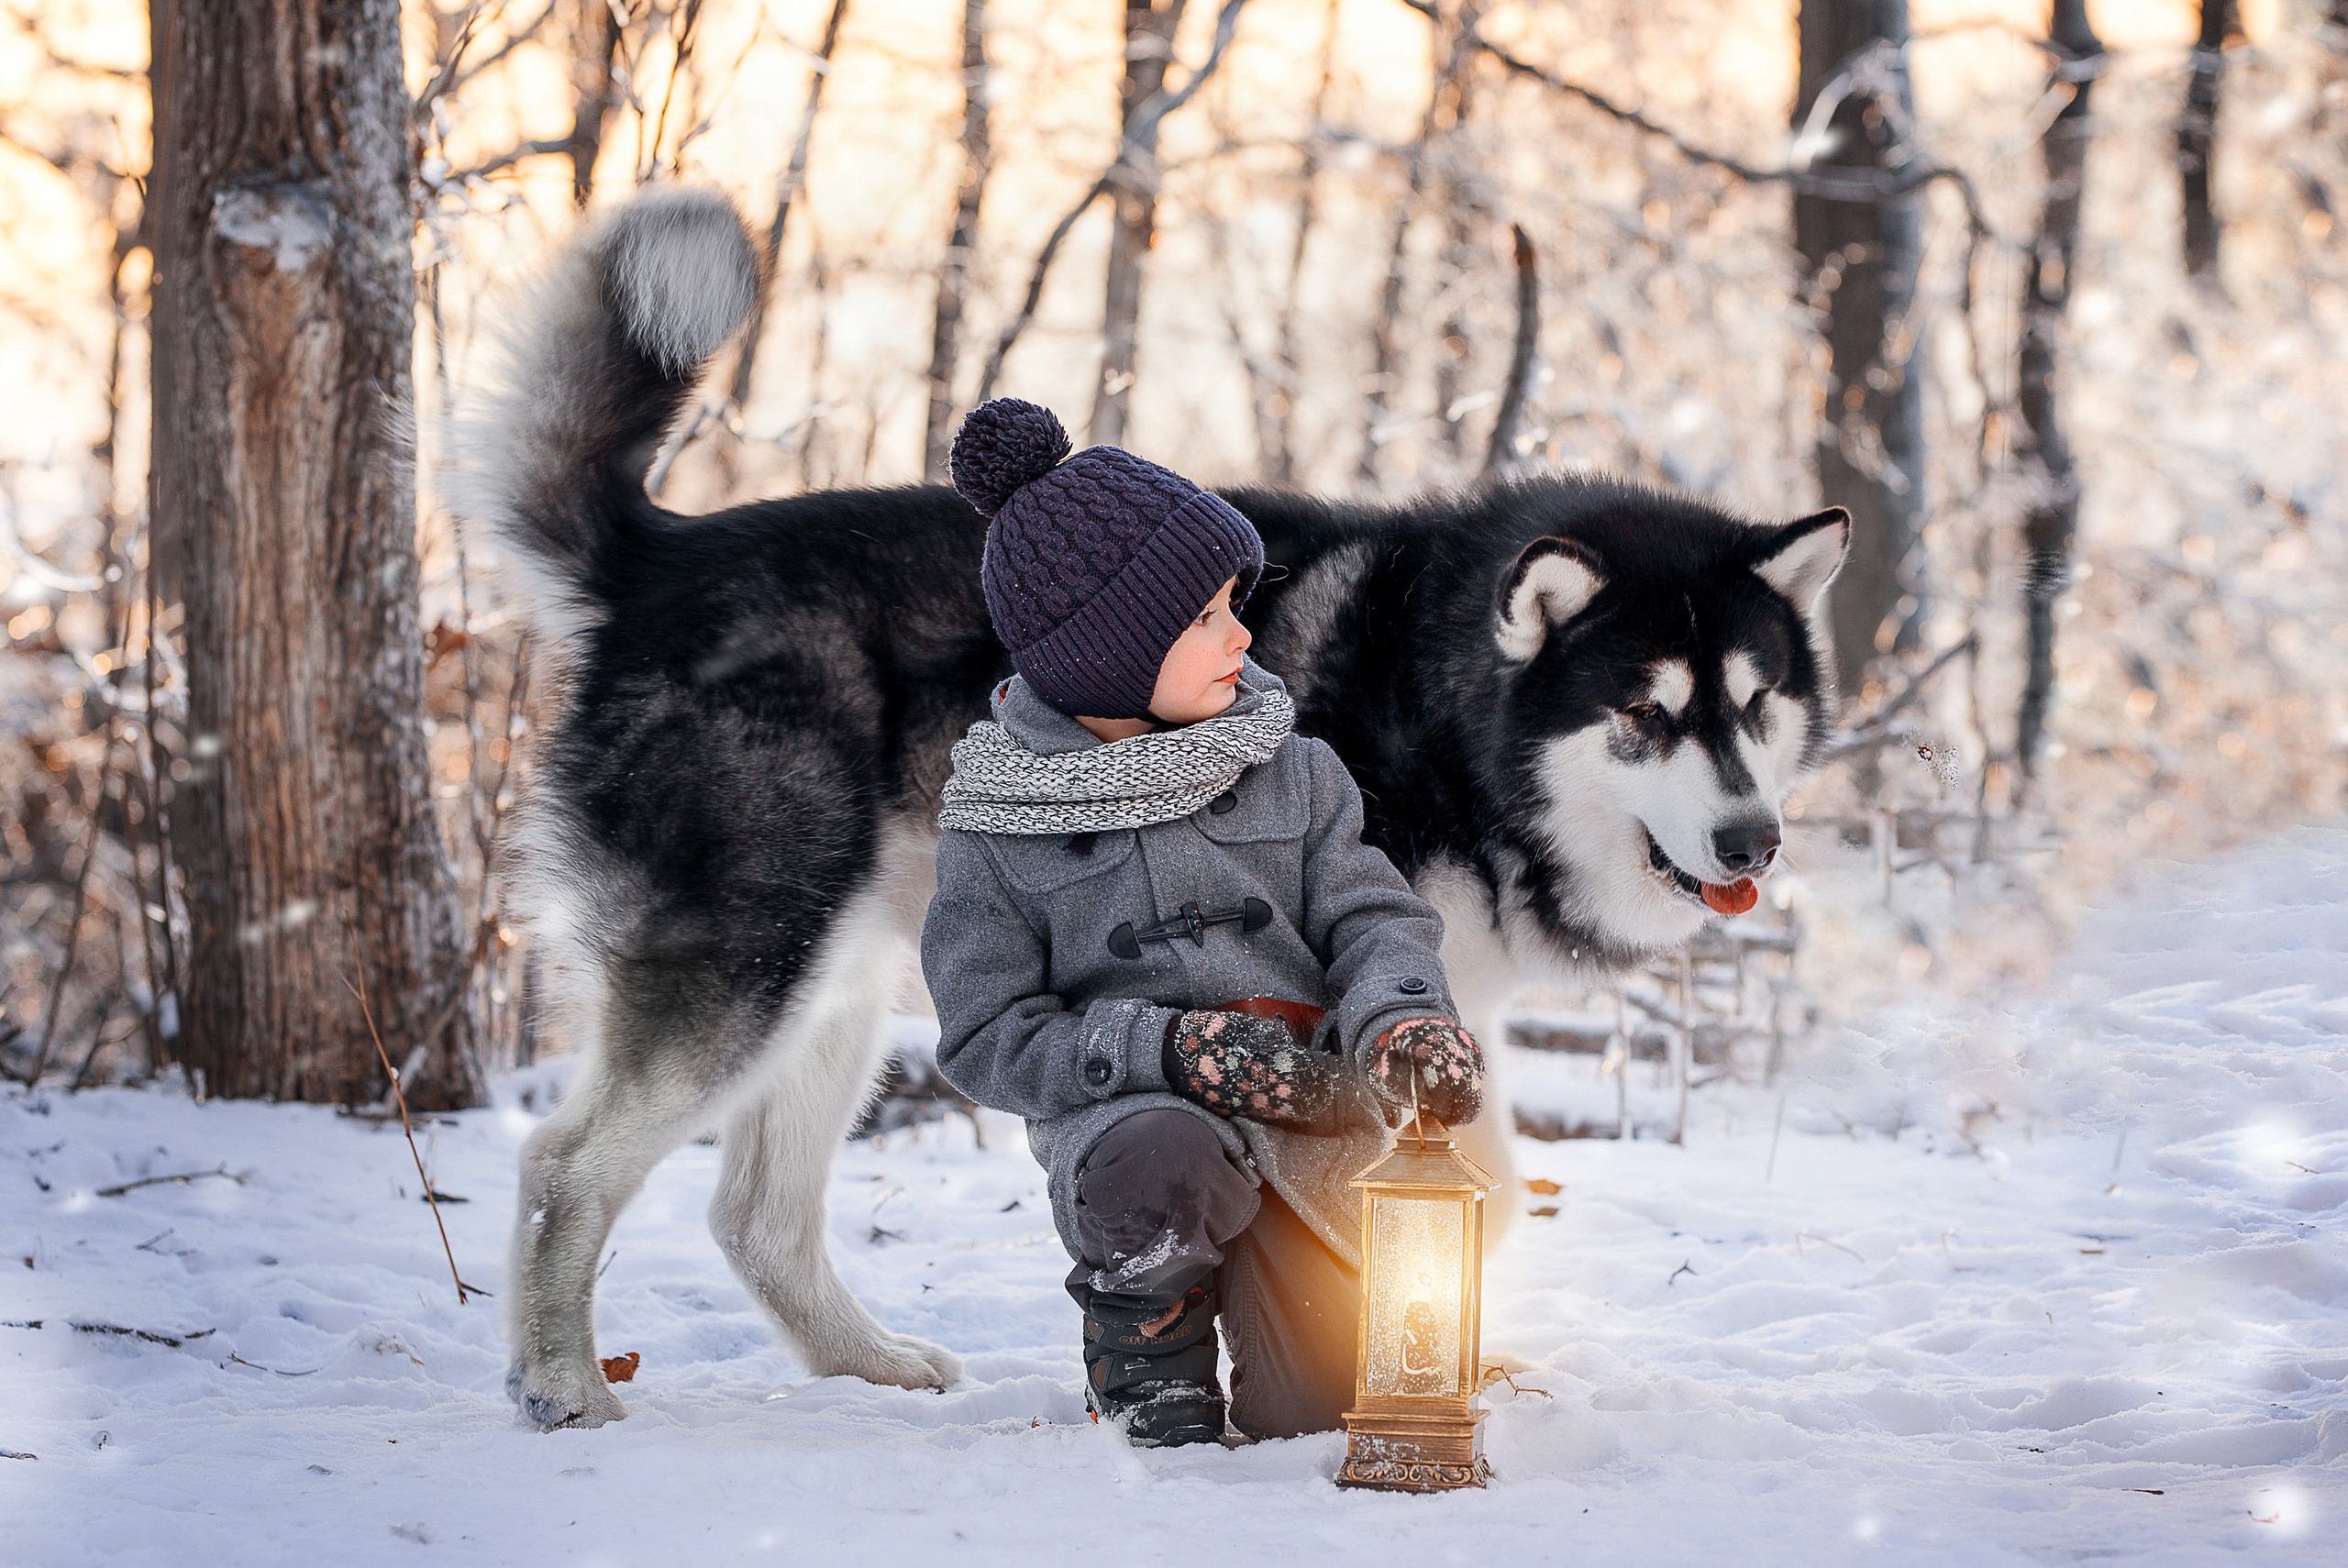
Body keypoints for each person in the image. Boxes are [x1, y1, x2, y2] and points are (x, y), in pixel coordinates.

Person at [920, 399, 1485, 1448]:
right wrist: (1166, 1050)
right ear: (1103, 653)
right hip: (1138, 1137)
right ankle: (1149, 1345)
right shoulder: (1003, 822)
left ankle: (1291, 1317)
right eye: (1202, 618)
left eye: (1235, 603)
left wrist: (1402, 1021)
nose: (1241, 634)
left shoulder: (1296, 773)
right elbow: (985, 1036)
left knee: (1317, 1416)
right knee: (1162, 1160)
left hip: (1307, 1119)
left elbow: (1374, 918)